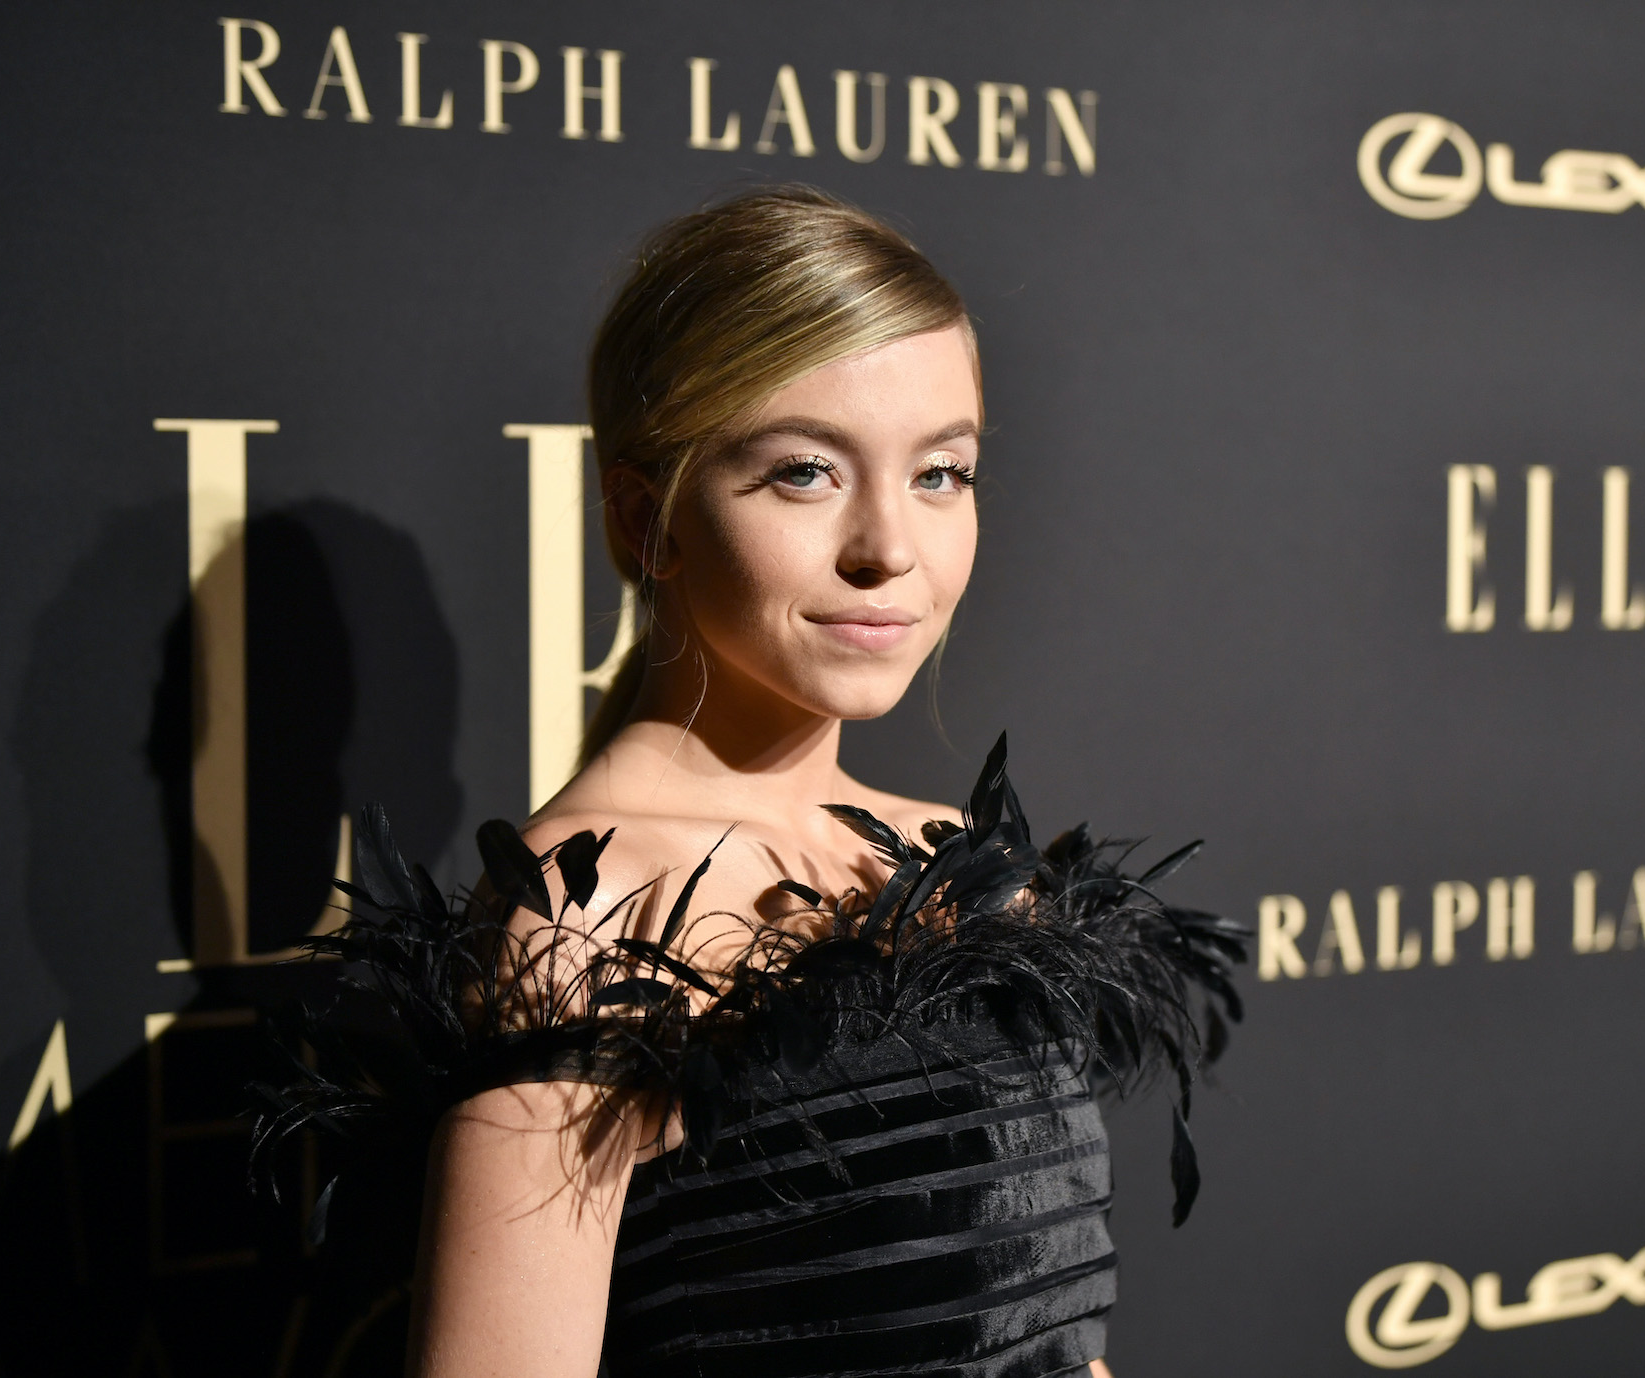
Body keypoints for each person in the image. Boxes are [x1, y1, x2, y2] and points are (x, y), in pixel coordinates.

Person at [260, 186, 1245, 1378]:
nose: (889, 545)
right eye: (802, 473)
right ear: (644, 518)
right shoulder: (583, 918)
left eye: (941, 472)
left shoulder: (960, 869)